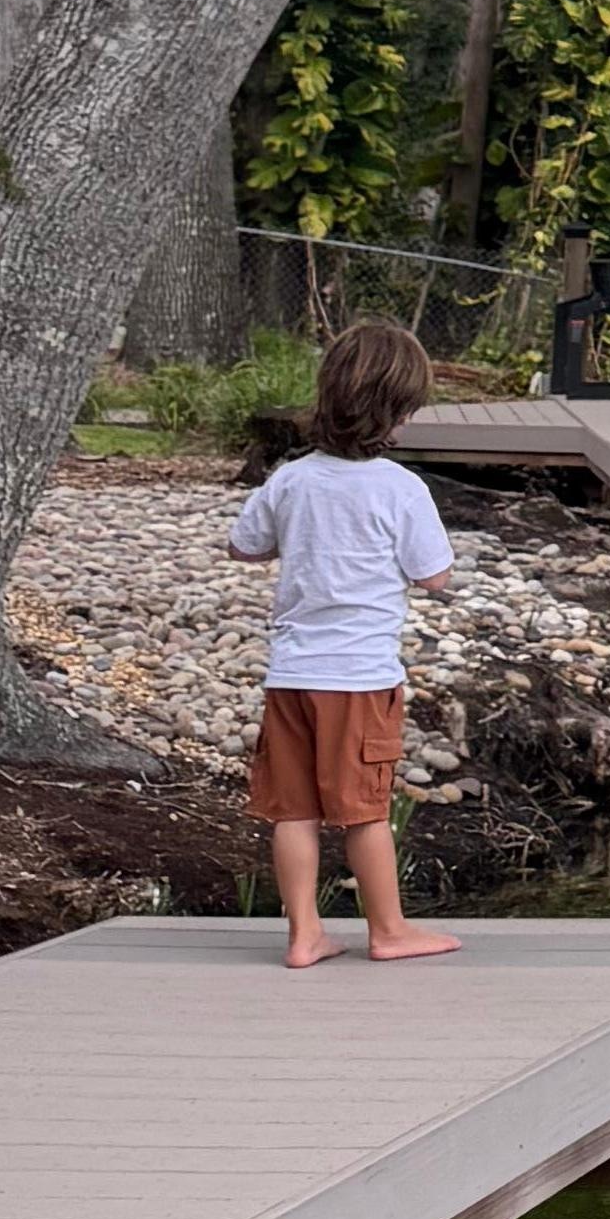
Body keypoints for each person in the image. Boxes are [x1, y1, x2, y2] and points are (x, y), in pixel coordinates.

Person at [233, 316, 462, 964]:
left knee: (294, 811)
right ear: (393, 414)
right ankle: (388, 930)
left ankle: (304, 933)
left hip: (291, 676)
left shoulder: (291, 479)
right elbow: (434, 574)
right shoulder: (401, 489)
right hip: (359, 680)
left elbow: (244, 544)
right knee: (364, 811)